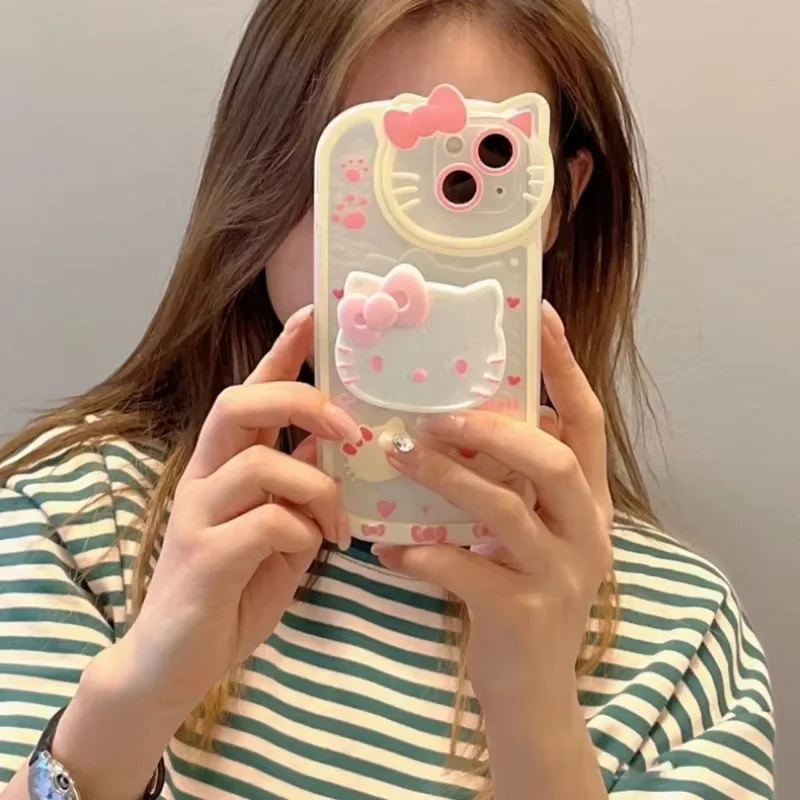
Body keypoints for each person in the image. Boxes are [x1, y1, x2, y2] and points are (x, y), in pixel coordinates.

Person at [0, 1, 775, 798]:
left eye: (468, 175)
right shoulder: (74, 518)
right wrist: (132, 703)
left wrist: (536, 719)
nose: (400, 261)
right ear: (260, 170)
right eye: (352, 169)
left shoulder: (684, 646)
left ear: (556, 200)